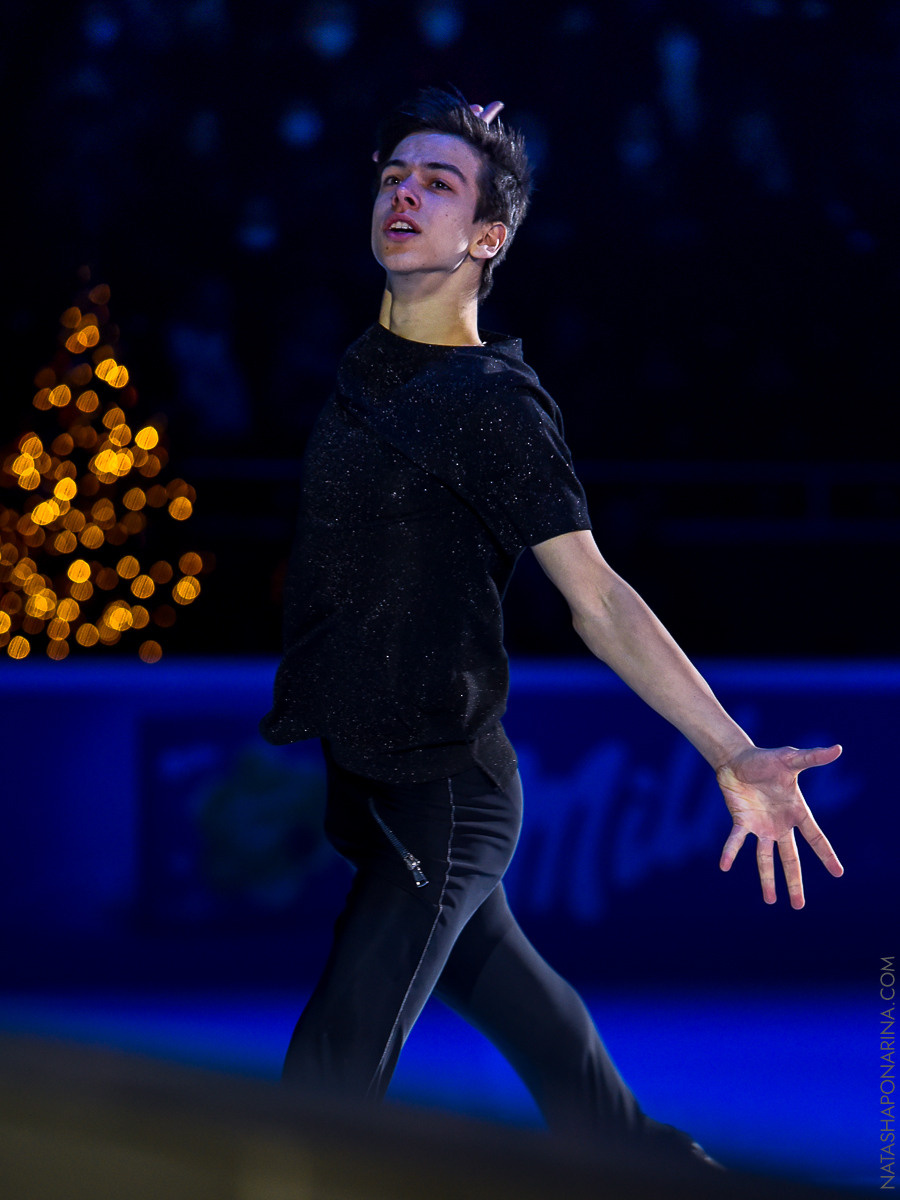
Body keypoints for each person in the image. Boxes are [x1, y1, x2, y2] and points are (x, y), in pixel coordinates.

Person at [260, 87, 843, 1166]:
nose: (404, 193)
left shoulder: (493, 401)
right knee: (558, 1061)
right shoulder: (367, 368)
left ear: (488, 238)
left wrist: (732, 749)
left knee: (330, 1075)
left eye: (439, 184)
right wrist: (466, 130)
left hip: (440, 796)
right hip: (370, 788)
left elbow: (599, 597)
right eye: (394, 175)